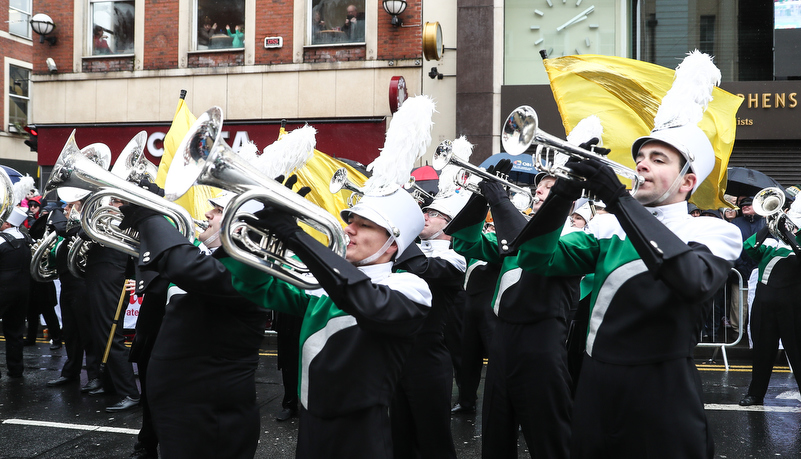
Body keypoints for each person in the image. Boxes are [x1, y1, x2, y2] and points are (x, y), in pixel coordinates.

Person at [511, 54, 742, 455]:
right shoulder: (606, 226)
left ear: (688, 181)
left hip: (663, 391)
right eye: (640, 156)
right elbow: (535, 258)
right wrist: (566, 186)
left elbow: (690, 278)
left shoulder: (714, 231)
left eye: (658, 159)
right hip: (595, 386)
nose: (641, 165)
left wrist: (617, 197)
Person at [222, 185, 431, 458]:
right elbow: (257, 287)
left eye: (364, 225)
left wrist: (296, 236)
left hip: (362, 432)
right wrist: (261, 234)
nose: (349, 230)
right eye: (351, 222)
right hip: (311, 421)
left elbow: (365, 300)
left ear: (393, 244)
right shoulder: (320, 283)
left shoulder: (409, 287)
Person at [116, 188, 269, 458]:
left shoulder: (250, 267)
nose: (208, 213)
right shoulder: (212, 259)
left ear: (243, 225)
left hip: (209, 420)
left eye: (219, 211)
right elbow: (169, 272)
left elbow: (186, 267)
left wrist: (150, 218)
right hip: (187, 413)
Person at [446, 160, 576, 459]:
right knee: (496, 431)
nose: (541, 192)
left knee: (548, 437)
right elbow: (466, 243)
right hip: (503, 337)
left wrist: (500, 199)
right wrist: (481, 197)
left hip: (541, 340)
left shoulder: (573, 234)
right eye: (540, 187)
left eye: (551, 189)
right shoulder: (517, 230)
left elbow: (532, 248)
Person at [390, 193, 467, 459]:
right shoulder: (413, 249)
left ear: (451, 224)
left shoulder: (457, 257)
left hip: (429, 359)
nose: (425, 216)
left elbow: (421, 268)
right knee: (399, 435)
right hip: (399, 354)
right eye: (425, 211)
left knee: (433, 439)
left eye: (433, 214)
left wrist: (403, 229)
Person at [82, 196, 141, 412]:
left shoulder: (128, 224)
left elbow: (137, 253)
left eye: (116, 201)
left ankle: (129, 392)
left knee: (110, 335)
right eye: (113, 200)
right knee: (100, 335)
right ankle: (110, 384)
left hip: (111, 279)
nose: (111, 205)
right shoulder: (107, 221)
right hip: (100, 277)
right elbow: (82, 233)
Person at [739, 206, 801, 406]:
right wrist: (769, 224)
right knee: (762, 352)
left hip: (792, 307)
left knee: (797, 352)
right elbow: (750, 247)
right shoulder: (772, 247)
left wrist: (788, 233)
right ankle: (756, 394)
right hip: (764, 307)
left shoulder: (795, 244)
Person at [46, 197, 101, 391]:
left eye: (70, 206)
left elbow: (69, 232)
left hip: (81, 287)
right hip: (67, 286)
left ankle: (95, 376)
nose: (66, 209)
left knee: (87, 333)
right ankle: (70, 372)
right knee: (70, 332)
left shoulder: (85, 229)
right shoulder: (67, 231)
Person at [0, 207, 33, 378]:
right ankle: (16, 368)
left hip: (3, 289)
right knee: (15, 330)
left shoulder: (1, 240)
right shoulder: (27, 238)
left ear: (7, 223)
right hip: (23, 288)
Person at [730, 196, 765, 334]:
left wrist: (758, 266)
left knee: (759, 304)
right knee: (738, 304)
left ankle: (757, 331)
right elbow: (733, 246)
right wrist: (741, 266)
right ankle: (737, 330)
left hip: (759, 272)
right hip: (740, 271)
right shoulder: (735, 223)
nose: (745, 206)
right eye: (743, 205)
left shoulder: (766, 223)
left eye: (749, 204)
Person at [274, 309, 301, 422]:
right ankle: (290, 404)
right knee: (289, 362)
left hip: (311, 306)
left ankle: (310, 405)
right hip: (289, 313)